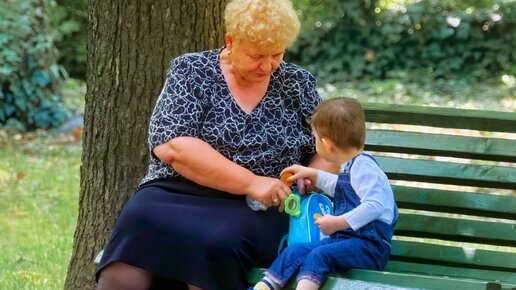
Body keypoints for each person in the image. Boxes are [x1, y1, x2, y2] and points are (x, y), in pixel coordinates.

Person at [95, 1, 339, 289]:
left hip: (257, 207)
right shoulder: (192, 70)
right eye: (257, 55)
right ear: (231, 41)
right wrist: (249, 181)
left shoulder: (296, 83)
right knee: (138, 223)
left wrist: (312, 174)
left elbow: (330, 147)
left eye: (277, 54)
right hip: (177, 190)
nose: (268, 65)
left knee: (216, 243)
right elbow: (173, 146)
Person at [251, 98, 398, 290]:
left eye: (314, 138)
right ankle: (266, 286)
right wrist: (312, 174)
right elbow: (342, 187)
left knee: (320, 256)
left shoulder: (365, 168)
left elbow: (374, 205)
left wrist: (338, 222)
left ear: (327, 145)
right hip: (346, 242)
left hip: (369, 248)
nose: (314, 142)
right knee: (295, 251)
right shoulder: (352, 165)